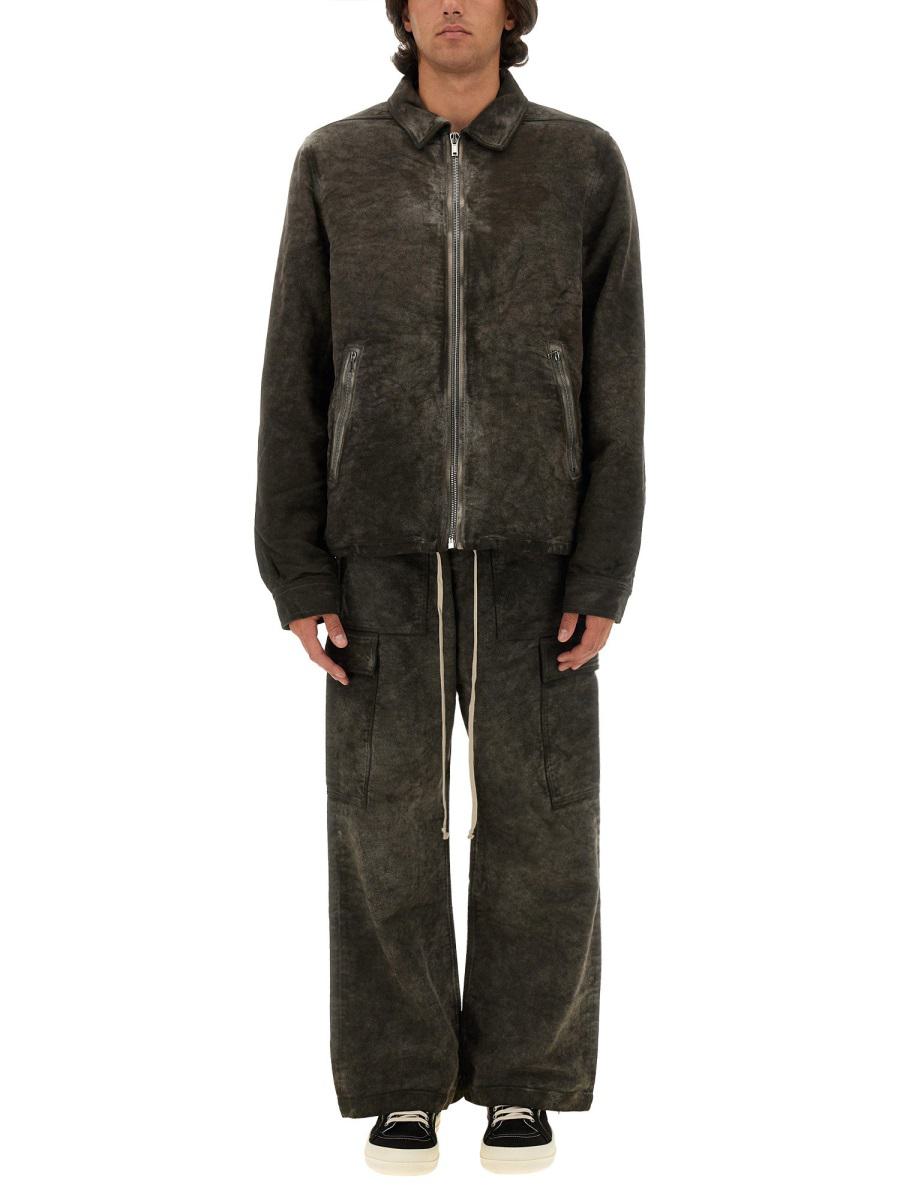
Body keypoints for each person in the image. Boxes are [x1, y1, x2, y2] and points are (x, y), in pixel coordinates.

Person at [254, 0, 645, 1175]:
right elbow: (294, 368)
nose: (452, 3)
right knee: (382, 825)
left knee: (542, 823)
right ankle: (403, 1083)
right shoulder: (336, 163)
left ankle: (525, 1079)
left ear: (513, 10)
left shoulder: (580, 162)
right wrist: (296, 568)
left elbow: (619, 375)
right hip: (374, 551)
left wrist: (604, 565)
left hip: (541, 556)